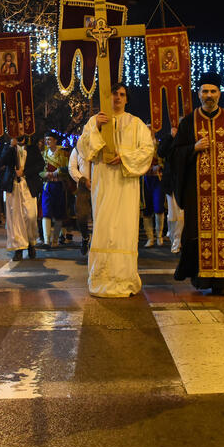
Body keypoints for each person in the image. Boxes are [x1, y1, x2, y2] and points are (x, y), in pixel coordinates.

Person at [169, 73, 224, 295]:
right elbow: (174, 155)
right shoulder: (189, 122)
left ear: (219, 94)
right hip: (198, 194)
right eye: (205, 91)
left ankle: (221, 281)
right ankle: (201, 278)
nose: (209, 96)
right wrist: (192, 148)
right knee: (197, 237)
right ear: (198, 94)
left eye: (213, 91)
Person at [77, 83, 155, 297]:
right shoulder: (95, 121)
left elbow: (147, 151)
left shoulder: (136, 123)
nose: (118, 98)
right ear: (108, 96)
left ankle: (124, 278)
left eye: (122, 95)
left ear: (126, 99)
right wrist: (97, 128)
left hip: (125, 182)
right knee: (104, 225)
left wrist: (125, 158)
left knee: (124, 228)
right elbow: (83, 150)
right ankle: (101, 277)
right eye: (114, 94)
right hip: (103, 180)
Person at [0, 133, 43, 260]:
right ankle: (18, 247)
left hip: (28, 185)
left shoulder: (32, 148)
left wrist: (25, 172)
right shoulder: (8, 147)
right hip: (13, 186)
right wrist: (9, 147)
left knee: (30, 215)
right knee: (15, 217)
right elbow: (2, 161)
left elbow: (40, 165)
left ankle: (31, 243)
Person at [39, 132, 69, 249]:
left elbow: (69, 168)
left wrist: (59, 171)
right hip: (47, 186)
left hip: (59, 186)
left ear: (55, 141)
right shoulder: (43, 154)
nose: (47, 142)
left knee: (58, 214)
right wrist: (44, 173)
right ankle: (47, 241)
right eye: (46, 140)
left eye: (50, 139)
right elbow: (39, 170)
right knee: (45, 212)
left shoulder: (63, 154)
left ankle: (55, 240)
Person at [159, 126, 183, 254]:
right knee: (172, 215)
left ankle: (177, 243)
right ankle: (173, 236)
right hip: (170, 182)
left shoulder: (186, 139)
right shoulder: (167, 140)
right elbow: (161, 152)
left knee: (181, 215)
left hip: (182, 181)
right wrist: (170, 137)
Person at [141, 124, 166, 248]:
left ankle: (159, 236)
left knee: (158, 207)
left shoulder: (160, 144)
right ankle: (150, 237)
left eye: (151, 128)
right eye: (147, 128)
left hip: (157, 178)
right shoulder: (140, 146)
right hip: (145, 179)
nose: (149, 131)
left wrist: (160, 166)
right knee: (146, 209)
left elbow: (164, 159)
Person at [68, 138, 93, 255]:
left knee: (99, 217)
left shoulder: (102, 148)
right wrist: (83, 180)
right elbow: (71, 168)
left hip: (100, 186)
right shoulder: (78, 149)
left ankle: (97, 243)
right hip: (83, 187)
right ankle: (84, 237)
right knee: (81, 216)